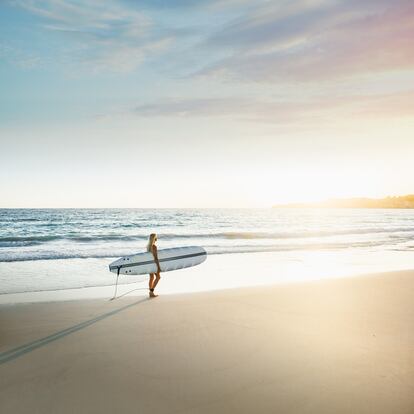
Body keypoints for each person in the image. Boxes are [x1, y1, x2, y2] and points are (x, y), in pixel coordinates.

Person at [147, 233, 161, 298]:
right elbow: (155, 258)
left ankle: (151, 293)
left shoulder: (148, 246)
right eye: (156, 237)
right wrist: (158, 267)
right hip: (153, 265)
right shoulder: (154, 246)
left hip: (149, 264)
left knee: (151, 278)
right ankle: (151, 291)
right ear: (154, 238)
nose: (157, 238)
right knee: (158, 277)